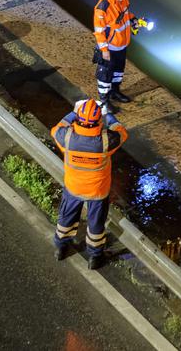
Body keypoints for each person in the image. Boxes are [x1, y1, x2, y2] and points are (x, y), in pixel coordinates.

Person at [51, 98, 128, 270]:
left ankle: (61, 247)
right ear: (98, 121)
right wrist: (109, 116)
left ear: (78, 119)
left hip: (73, 187)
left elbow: (56, 129)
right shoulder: (106, 141)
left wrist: (73, 111)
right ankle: (94, 257)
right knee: (96, 224)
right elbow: (122, 132)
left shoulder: (67, 137)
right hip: (97, 191)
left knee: (66, 218)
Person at [93, 0, 137, 112]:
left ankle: (115, 91)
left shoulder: (123, 0)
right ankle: (104, 100)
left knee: (118, 70)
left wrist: (134, 19)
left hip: (122, 44)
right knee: (105, 74)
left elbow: (125, 15)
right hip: (110, 47)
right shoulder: (102, 8)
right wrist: (104, 50)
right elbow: (99, 32)